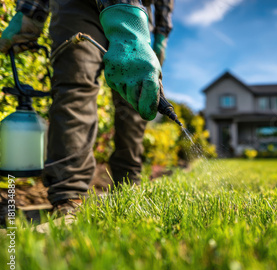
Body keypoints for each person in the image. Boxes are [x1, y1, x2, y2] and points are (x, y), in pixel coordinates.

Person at [0, 0, 174, 215]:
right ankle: (70, 194)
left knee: (135, 96)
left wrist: (161, 31)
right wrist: (31, 11)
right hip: (76, 5)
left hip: (134, 7)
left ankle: (128, 185)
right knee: (75, 85)